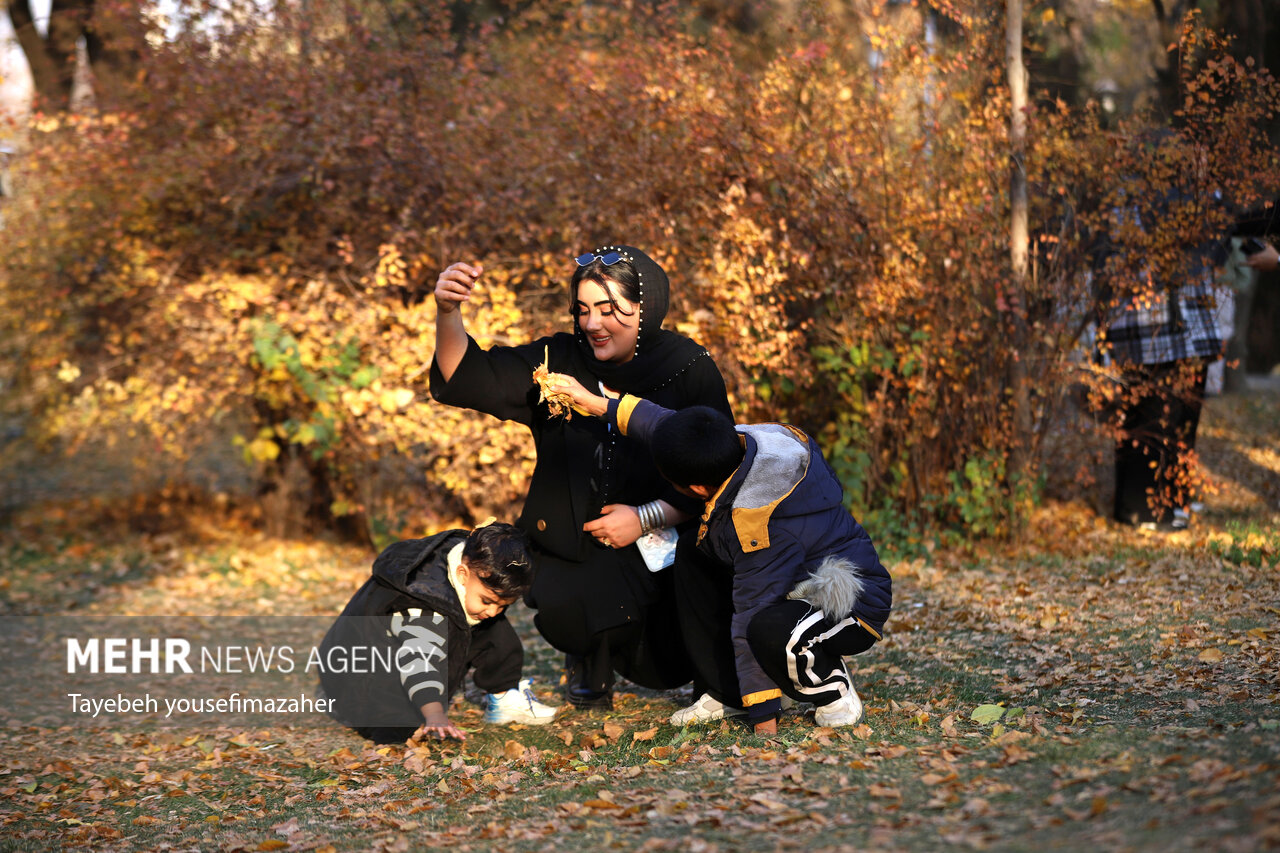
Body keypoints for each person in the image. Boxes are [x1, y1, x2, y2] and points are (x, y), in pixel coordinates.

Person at [429, 246, 734, 709]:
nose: (593, 324)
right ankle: (589, 665)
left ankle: (710, 674)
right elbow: (468, 375)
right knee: (568, 599)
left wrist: (648, 516)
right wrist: (448, 312)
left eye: (610, 309)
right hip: (577, 546)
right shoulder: (557, 358)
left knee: (700, 573)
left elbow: (718, 470)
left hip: (672, 533)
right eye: (584, 309)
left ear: (645, 308)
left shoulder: (689, 368)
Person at [547, 376, 892, 735]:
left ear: (696, 488)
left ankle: (832, 691)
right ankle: (726, 692)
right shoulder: (735, 445)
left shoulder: (758, 523)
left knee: (769, 630)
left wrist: (763, 723)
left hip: (850, 601)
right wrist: (594, 402)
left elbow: (751, 614)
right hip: (790, 583)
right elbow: (662, 423)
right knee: (694, 554)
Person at [317, 522, 557, 744]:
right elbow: (419, 661)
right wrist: (435, 714)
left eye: (503, 605)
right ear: (462, 574)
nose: (494, 611)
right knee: (399, 729)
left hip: (408, 647)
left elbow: (488, 616)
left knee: (496, 631)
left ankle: (504, 695)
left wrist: (485, 606)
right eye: (487, 600)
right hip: (361, 675)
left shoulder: (472, 571)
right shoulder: (425, 603)